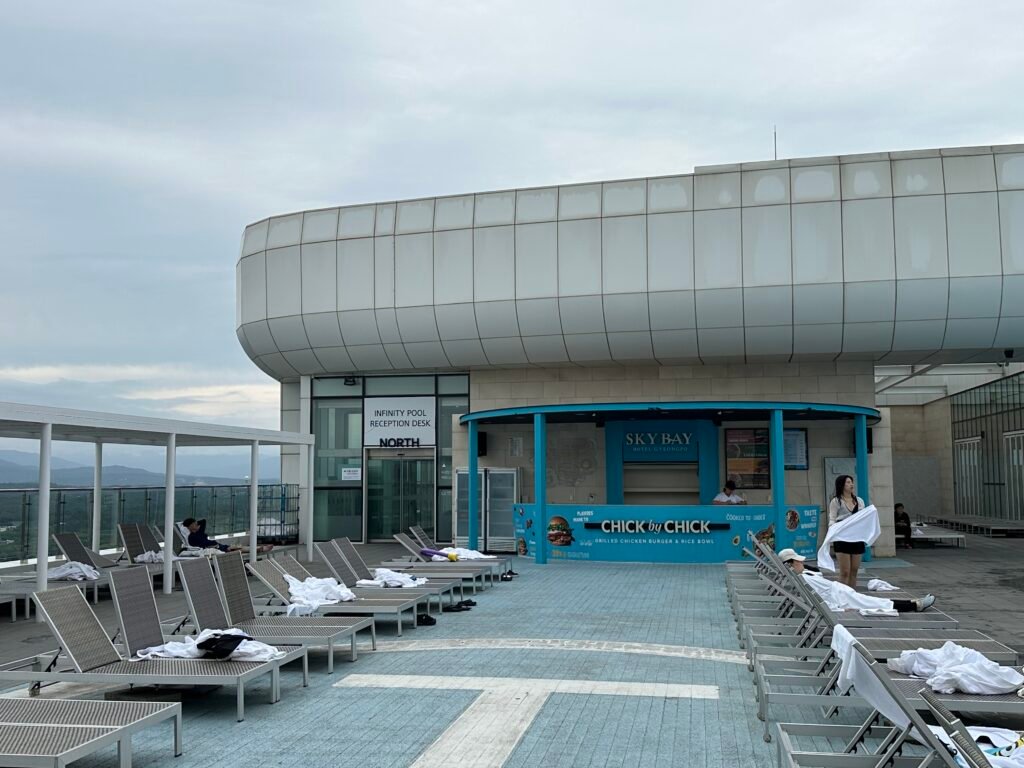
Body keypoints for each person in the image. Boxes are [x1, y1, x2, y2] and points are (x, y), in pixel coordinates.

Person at [778, 548, 935, 613]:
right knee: (879, 605)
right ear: (790, 565)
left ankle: (914, 603)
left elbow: (817, 574)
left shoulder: (803, 575)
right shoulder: (804, 580)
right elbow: (820, 600)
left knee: (875, 602)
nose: (801, 563)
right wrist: (838, 609)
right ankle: (915, 605)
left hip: (843, 593)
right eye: (797, 562)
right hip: (843, 599)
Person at [827, 475, 866, 589]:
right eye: (848, 482)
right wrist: (833, 531)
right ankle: (841, 596)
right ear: (842, 485)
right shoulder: (836, 501)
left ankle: (852, 596)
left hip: (856, 536)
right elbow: (832, 518)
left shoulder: (859, 501)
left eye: (851, 482)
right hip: (842, 537)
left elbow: (863, 517)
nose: (851, 484)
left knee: (854, 571)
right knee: (845, 572)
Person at [182, 518, 271, 554]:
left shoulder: (199, 532)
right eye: (194, 524)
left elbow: (203, 521)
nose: (196, 524)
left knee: (237, 546)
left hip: (217, 545)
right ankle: (259, 549)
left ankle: (258, 548)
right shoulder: (192, 537)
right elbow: (200, 547)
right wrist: (214, 546)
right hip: (214, 548)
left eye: (195, 523)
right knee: (236, 548)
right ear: (189, 526)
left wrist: (196, 526)